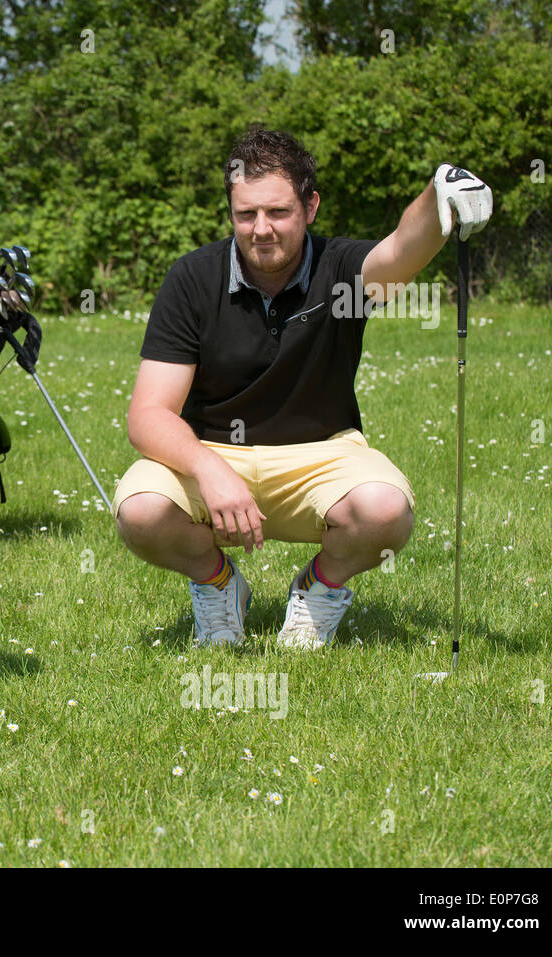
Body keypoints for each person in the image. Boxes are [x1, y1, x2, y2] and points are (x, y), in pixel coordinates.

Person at [114, 127, 493, 650]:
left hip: (323, 456)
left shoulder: (343, 271)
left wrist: (438, 193)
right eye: (246, 214)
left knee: (386, 510)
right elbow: (149, 415)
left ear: (310, 206)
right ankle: (220, 584)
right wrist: (208, 468)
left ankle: (319, 587)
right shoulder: (192, 278)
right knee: (140, 511)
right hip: (213, 455)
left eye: (278, 212)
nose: (261, 229)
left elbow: (405, 248)